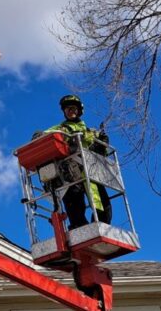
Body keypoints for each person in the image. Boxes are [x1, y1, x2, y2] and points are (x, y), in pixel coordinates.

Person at [45, 95, 113, 229]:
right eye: (68, 109)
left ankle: (101, 227)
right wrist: (38, 134)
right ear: (64, 112)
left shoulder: (91, 132)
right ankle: (80, 228)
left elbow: (102, 152)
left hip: (91, 171)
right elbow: (44, 136)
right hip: (70, 172)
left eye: (74, 108)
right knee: (75, 203)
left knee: (103, 204)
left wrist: (103, 143)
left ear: (79, 111)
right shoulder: (59, 129)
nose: (71, 111)